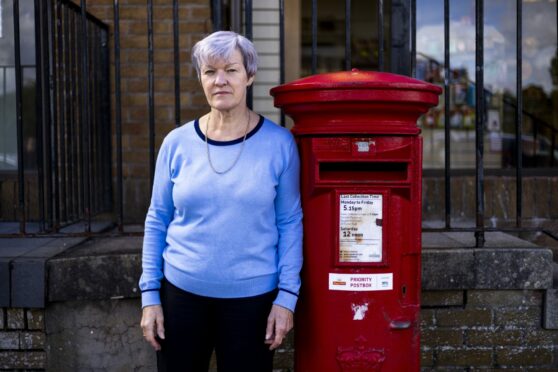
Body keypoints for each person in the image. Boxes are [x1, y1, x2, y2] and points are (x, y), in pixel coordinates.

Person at [139, 31, 303, 372]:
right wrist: (150, 296)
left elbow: (289, 222)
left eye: (231, 69)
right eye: (210, 71)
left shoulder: (279, 144)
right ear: (201, 78)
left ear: (250, 75)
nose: (220, 81)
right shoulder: (176, 143)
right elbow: (158, 218)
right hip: (181, 296)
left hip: (253, 302)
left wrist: (287, 298)